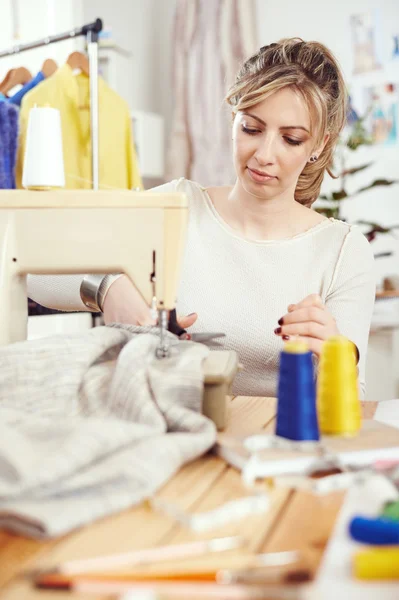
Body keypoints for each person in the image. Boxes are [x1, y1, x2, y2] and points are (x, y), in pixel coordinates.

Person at [28, 38, 376, 398]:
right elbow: (29, 265)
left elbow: (354, 407)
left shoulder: (342, 253)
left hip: (274, 451)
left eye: (291, 139)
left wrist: (338, 357)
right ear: (233, 119)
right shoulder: (176, 207)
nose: (264, 155)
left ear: (319, 144)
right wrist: (106, 287)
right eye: (252, 129)